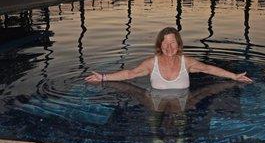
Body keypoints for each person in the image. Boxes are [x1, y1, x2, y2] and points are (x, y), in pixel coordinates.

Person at [85, 27, 253, 86]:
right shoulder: (152, 63)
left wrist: (234, 76)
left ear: (179, 45)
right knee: (155, 122)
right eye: (165, 43)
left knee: (179, 125)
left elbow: (208, 68)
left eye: (172, 43)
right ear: (159, 45)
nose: (168, 47)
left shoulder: (186, 62)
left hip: (181, 103)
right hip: (156, 103)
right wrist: (103, 77)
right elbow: (130, 73)